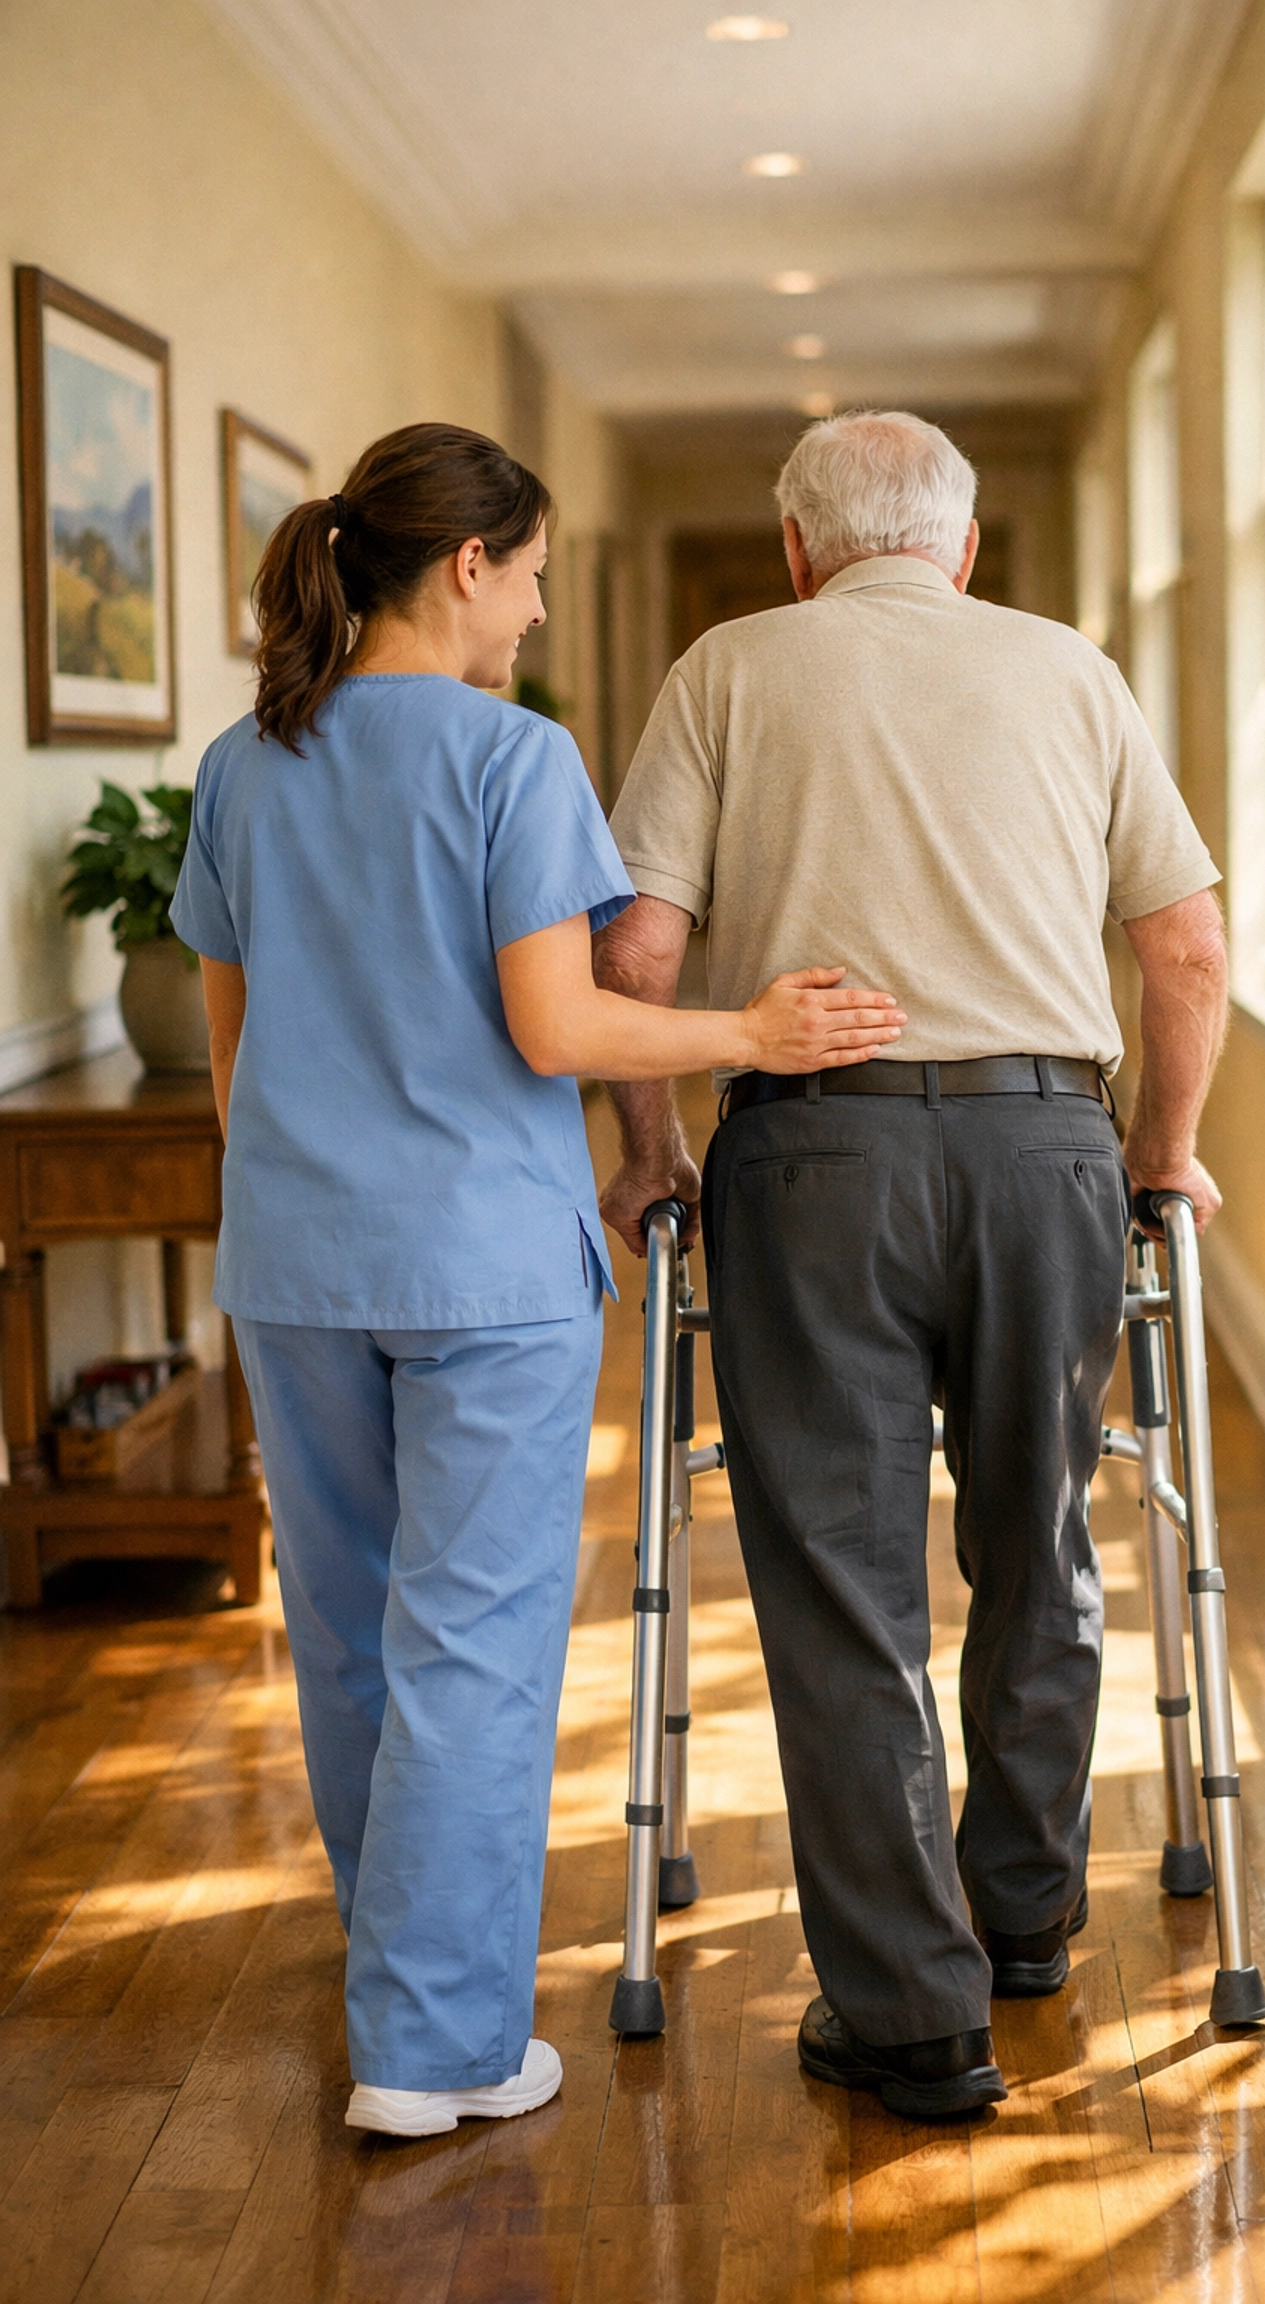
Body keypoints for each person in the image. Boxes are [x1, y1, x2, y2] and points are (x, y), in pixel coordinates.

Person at [169, 422, 903, 2140]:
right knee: (477, 1647)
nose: (547, 603)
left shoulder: (242, 761)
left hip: (296, 1259)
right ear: (466, 568)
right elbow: (557, 1026)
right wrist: (750, 1031)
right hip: (480, 1268)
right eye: (540, 568)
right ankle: (434, 2051)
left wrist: (306, 1175)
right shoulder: (512, 759)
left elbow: (231, 1038)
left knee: (350, 1634)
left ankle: (398, 1978)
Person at [595, 410, 1227, 2121]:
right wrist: (1160, 1152)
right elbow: (1183, 947)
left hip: (815, 1159)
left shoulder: (729, 665)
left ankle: (913, 2016)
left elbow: (639, 948)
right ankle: (1023, 1923)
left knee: (844, 1583)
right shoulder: (1071, 672)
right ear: (960, 548)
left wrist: (651, 1162)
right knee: (1036, 1531)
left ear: (800, 547)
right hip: (1047, 1150)